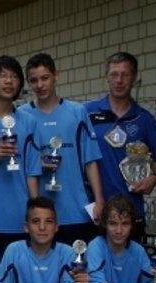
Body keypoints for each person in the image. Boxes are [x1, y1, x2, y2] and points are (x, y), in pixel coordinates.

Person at [20, 53, 104, 245]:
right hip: (41, 218)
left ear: (56, 75)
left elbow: (90, 160)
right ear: (28, 82)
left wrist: (99, 200)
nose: (40, 85)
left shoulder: (77, 112)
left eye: (45, 78)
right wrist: (37, 164)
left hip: (76, 211)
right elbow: (19, 162)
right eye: (34, 80)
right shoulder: (22, 116)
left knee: (78, 263)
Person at [85, 52, 156, 243]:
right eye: (114, 74)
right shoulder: (88, 112)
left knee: (131, 262)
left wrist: (153, 178)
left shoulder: (144, 119)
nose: (119, 80)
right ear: (107, 77)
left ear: (134, 77)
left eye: (125, 74)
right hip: (95, 210)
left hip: (131, 214)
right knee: (93, 261)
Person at [0, 55, 42, 253]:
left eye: (14, 77)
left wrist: (35, 212)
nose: (9, 81)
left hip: (18, 216)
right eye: (3, 76)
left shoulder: (29, 122)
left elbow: (32, 171)